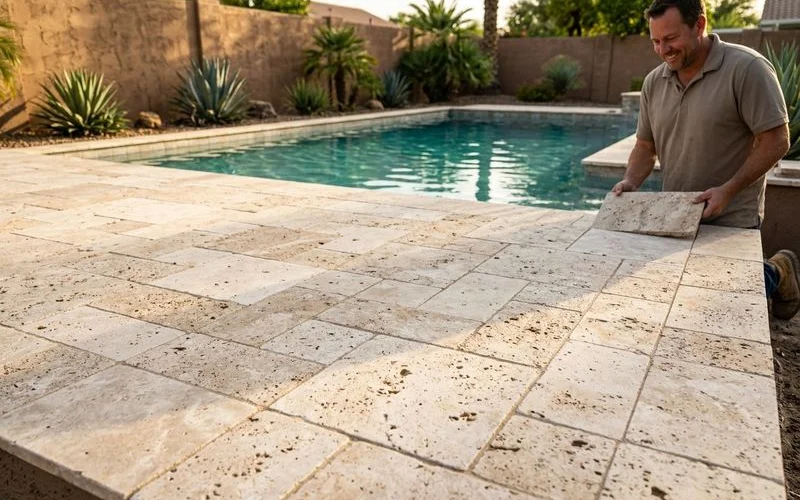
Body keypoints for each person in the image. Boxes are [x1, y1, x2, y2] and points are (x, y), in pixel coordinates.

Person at [612, 0, 798, 319]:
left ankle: (779, 271)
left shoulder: (747, 69)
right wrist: (630, 181)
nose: (662, 50)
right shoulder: (653, 83)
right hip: (677, 212)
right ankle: (772, 271)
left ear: (699, 25)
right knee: (675, 301)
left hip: (733, 214)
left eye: (670, 39)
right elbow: (645, 146)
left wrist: (728, 190)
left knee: (724, 306)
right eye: (655, 41)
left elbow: (777, 140)